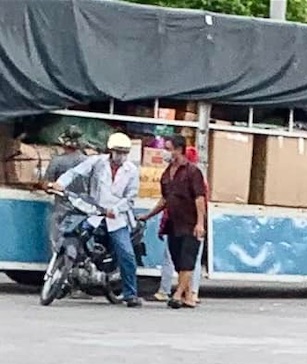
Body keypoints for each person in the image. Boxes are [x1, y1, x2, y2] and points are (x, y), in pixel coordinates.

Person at [49, 132, 142, 308]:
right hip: (94, 213)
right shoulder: (97, 162)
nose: (121, 156)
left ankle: (130, 294)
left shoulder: (132, 170)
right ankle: (67, 279)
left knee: (127, 254)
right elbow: (75, 172)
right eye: (118, 152)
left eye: (124, 152)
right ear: (110, 151)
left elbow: (130, 198)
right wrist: (60, 184)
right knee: (74, 237)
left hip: (117, 217)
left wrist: (115, 209)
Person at [138, 134, 206, 309]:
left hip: (190, 223)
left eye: (168, 149)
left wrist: (200, 223)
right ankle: (188, 295)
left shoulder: (192, 172)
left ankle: (177, 295)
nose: (165, 153)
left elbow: (200, 198)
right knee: (177, 259)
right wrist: (148, 215)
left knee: (187, 259)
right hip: (173, 223)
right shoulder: (167, 173)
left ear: (179, 150)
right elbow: (165, 200)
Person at [43, 126, 88, 250]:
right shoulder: (88, 161)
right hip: (84, 210)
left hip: (62, 210)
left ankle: (57, 266)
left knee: (56, 242)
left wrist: (50, 187)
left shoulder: (57, 161)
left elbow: (46, 185)